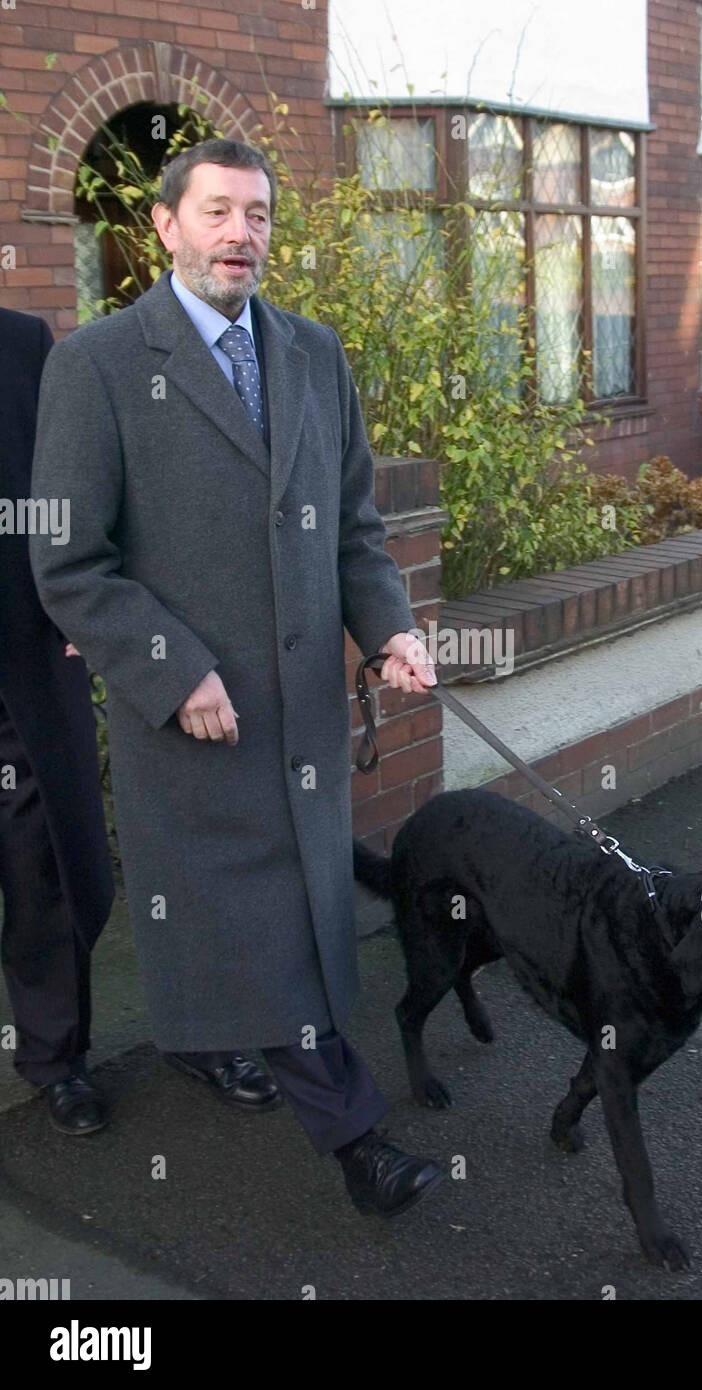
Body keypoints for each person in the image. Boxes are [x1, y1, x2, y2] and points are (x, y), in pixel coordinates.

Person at [29, 138, 446, 1217]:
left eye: (257, 215)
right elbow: (68, 560)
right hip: (194, 719)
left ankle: (213, 1042)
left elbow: (354, 529)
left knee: (292, 916)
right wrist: (173, 672)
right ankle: (358, 1141)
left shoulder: (314, 353)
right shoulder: (97, 364)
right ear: (165, 226)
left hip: (303, 715)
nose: (239, 235)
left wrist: (389, 632)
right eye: (216, 212)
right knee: (251, 922)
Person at [0, 305, 114, 1133]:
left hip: (23, 656)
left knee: (43, 863)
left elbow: (69, 485)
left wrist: (85, 604)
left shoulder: (21, 344)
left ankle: (55, 1056)